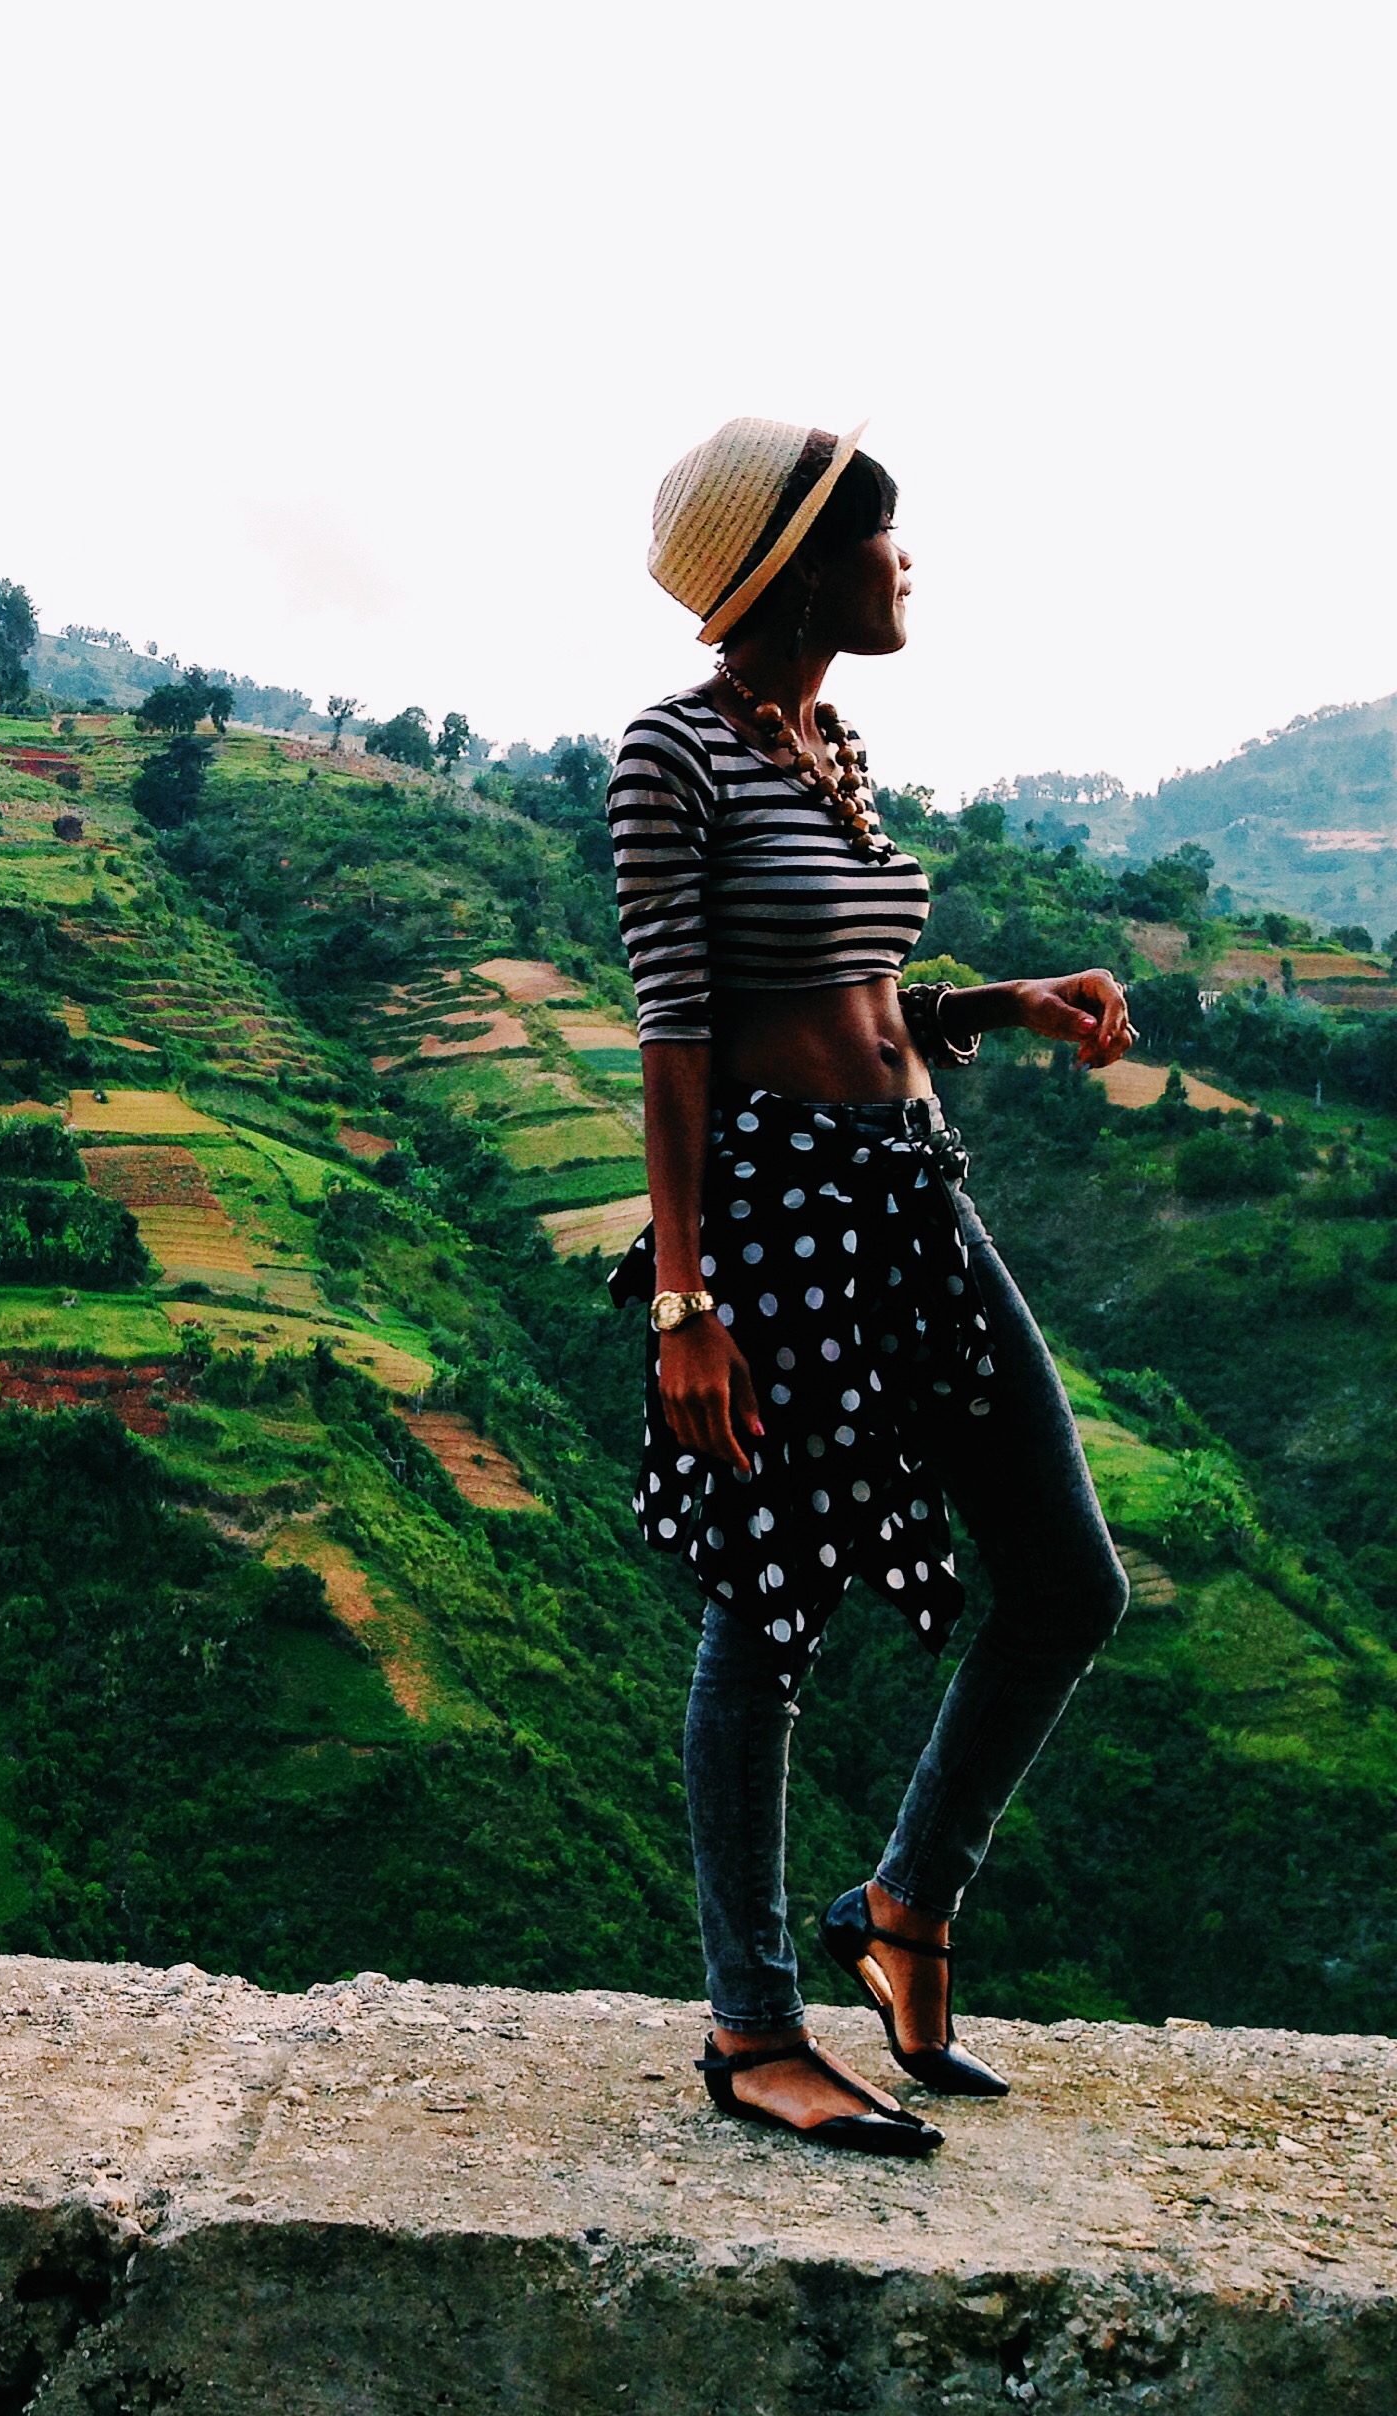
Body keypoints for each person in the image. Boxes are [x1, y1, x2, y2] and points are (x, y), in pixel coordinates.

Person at [608, 419, 1136, 2155]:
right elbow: (681, 1037)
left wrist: (998, 1006)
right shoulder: (668, 759)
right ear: (792, 567)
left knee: (1065, 1578)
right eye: (883, 536)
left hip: (918, 1201)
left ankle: (902, 1910)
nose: (906, 565)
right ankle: (750, 2026)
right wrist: (688, 1302)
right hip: (777, 1232)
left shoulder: (825, 740)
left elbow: (855, 1010)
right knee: (766, 1613)